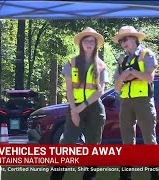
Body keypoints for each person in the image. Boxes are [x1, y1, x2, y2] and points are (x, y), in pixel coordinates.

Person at [50, 27, 108, 180]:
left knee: (93, 143)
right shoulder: (71, 63)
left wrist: (81, 107)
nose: (89, 43)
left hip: (95, 107)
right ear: (81, 43)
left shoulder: (101, 65)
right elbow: (68, 89)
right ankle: (56, 176)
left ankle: (89, 176)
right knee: (67, 140)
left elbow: (100, 90)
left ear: (96, 44)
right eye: (86, 40)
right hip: (75, 105)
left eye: (92, 41)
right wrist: (75, 110)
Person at [112, 26, 159, 180]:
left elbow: (149, 78)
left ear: (134, 38)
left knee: (149, 138)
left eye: (125, 39)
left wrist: (131, 73)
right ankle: (125, 175)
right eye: (121, 40)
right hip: (126, 102)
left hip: (144, 101)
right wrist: (124, 77)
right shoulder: (122, 60)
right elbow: (116, 86)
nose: (123, 43)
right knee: (127, 140)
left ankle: (156, 174)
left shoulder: (147, 54)